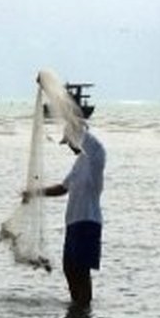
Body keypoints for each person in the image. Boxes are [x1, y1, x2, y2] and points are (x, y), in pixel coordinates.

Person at [29, 127, 105, 308]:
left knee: (81, 270)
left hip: (88, 221)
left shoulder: (95, 156)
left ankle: (84, 309)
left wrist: (68, 117)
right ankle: (77, 311)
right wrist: (35, 192)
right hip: (73, 223)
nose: (69, 147)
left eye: (69, 141)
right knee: (69, 269)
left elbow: (84, 134)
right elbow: (63, 188)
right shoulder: (78, 163)